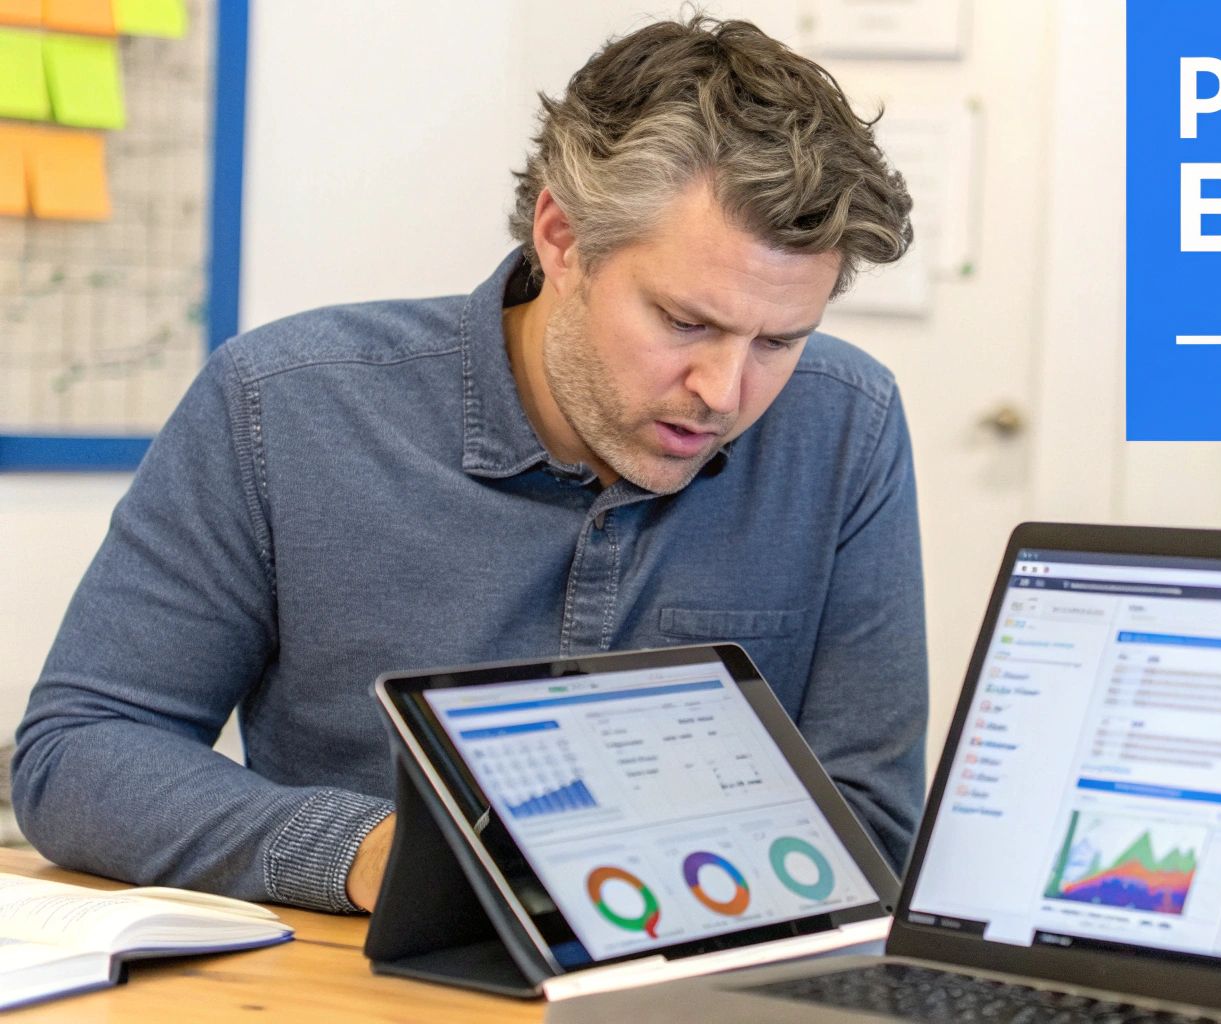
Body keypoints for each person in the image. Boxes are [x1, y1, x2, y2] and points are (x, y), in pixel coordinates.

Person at [11, 16, 925, 915]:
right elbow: (81, 751)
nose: (724, 392)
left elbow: (872, 823)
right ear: (562, 239)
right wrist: (368, 854)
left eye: (780, 340)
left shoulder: (847, 424)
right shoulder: (283, 405)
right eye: (687, 322)